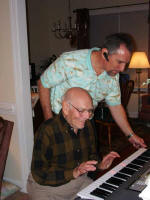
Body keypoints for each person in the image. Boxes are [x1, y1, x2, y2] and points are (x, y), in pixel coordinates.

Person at [38, 33, 146, 149]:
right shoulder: (70, 61)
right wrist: (49, 122)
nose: (122, 69)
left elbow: (116, 106)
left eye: (126, 63)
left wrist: (130, 135)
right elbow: (43, 83)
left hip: (86, 122)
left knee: (89, 163)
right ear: (105, 53)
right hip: (59, 120)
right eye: (119, 62)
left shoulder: (113, 75)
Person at [27, 87, 120, 200]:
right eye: (81, 110)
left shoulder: (88, 125)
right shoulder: (47, 130)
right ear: (66, 108)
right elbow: (39, 173)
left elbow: (91, 156)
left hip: (79, 182)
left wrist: (100, 164)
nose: (87, 116)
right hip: (47, 188)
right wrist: (74, 172)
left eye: (90, 110)